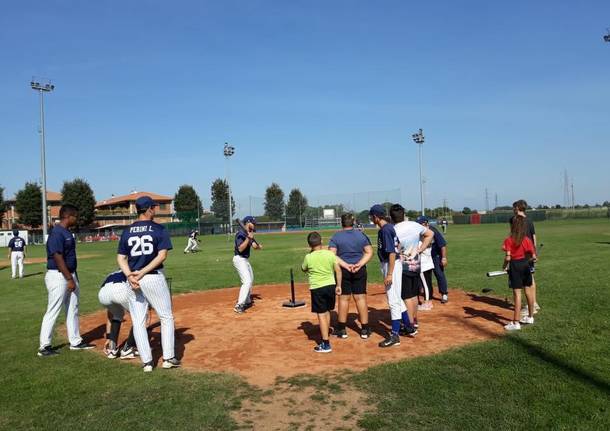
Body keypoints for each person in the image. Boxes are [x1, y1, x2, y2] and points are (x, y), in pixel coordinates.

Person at [117, 196, 180, 370]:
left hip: (133, 279)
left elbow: (121, 258)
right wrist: (142, 272)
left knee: (138, 321)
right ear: (148, 210)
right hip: (152, 276)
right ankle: (168, 358)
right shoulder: (158, 229)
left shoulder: (127, 231)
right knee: (166, 316)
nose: (155, 210)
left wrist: (130, 275)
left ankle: (147, 362)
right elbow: (162, 255)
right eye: (154, 207)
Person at [38, 205, 94, 357]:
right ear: (68, 216)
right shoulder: (57, 233)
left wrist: (73, 276)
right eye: (75, 216)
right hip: (59, 276)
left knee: (73, 309)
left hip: (70, 275)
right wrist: (69, 278)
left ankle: (75, 341)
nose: (77, 219)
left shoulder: (66, 232)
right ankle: (44, 346)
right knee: (53, 310)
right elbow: (57, 256)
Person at [369, 204, 413, 348]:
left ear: (376, 217)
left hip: (391, 265)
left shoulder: (385, 230)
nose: (370, 218)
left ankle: (394, 336)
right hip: (393, 265)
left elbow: (392, 253)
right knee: (397, 298)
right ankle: (408, 326)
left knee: (393, 301)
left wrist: (389, 273)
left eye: (371, 216)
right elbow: (398, 247)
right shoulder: (389, 228)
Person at [328, 213, 374, 339]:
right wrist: (359, 264)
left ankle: (341, 329)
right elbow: (369, 252)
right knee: (360, 298)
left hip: (343, 271)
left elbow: (332, 255)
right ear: (353, 223)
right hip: (359, 270)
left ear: (341, 222)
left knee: (343, 299)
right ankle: (364, 329)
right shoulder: (361, 235)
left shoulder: (336, 237)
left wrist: (346, 265)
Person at [390, 205, 434, 332]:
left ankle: (410, 323)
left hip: (402, 266)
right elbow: (430, 234)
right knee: (414, 295)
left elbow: (394, 250)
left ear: (391, 217)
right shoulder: (414, 225)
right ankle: (414, 320)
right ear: (403, 214)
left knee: (406, 296)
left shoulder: (393, 229)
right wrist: (420, 249)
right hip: (416, 264)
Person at [97, 269, 152, 369]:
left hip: (102, 294)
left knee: (117, 315)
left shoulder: (112, 273)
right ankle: (128, 349)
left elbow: (110, 315)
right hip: (120, 290)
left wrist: (109, 337)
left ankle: (112, 350)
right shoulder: (131, 271)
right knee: (143, 316)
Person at [302, 231, 342, 353]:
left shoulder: (308, 257)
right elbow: (338, 270)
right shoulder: (330, 254)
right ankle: (326, 334)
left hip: (317, 287)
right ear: (322, 242)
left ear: (309, 245)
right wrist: (339, 285)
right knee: (327, 311)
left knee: (321, 314)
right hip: (330, 285)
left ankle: (325, 344)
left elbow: (304, 268)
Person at [502, 215, 537, 331]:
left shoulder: (509, 240)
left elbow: (508, 258)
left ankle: (516, 323)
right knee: (528, 291)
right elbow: (533, 257)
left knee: (517, 294)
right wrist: (528, 260)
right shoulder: (527, 240)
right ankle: (530, 317)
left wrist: (504, 267)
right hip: (526, 266)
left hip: (515, 266)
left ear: (512, 226)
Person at [510, 199, 540, 314]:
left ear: (518, 208)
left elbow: (531, 237)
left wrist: (532, 253)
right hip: (527, 252)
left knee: (528, 279)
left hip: (524, 254)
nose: (513, 210)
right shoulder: (525, 220)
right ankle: (533, 303)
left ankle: (531, 304)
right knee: (530, 278)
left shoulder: (517, 220)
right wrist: (534, 251)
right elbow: (534, 238)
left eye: (514, 208)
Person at [233, 216, 263, 313]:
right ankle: (239, 305)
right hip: (239, 259)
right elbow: (240, 249)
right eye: (253, 223)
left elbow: (254, 246)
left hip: (245, 260)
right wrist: (248, 238)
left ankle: (247, 300)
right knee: (247, 281)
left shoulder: (249, 233)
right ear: (248, 223)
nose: (255, 225)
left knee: (251, 279)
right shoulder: (240, 234)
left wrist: (258, 246)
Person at [416, 216, 449, 303]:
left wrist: (444, 258)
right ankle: (426, 292)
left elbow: (442, 245)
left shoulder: (433, 231)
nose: (419, 225)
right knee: (426, 276)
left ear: (426, 223)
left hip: (435, 256)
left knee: (439, 274)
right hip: (425, 257)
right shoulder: (418, 232)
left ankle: (444, 294)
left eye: (420, 223)